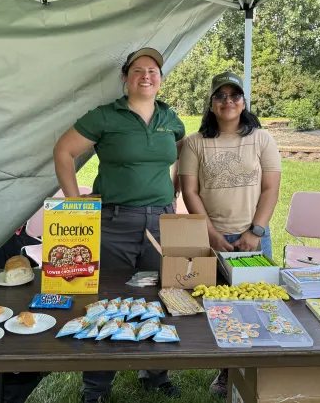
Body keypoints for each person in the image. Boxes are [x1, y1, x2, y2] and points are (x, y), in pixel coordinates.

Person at [53, 47, 185, 403]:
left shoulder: (171, 119)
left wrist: (173, 194)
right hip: (114, 222)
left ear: (160, 78)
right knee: (108, 300)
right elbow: (63, 151)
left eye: (153, 70)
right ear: (126, 78)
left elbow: (179, 153)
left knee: (158, 296)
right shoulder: (104, 117)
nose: (146, 75)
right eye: (138, 70)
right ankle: (96, 387)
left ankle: (154, 375)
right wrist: (75, 203)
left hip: (160, 221)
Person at [179, 71, 282, 398]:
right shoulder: (196, 143)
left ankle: (256, 371)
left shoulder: (262, 139)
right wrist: (210, 234)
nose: (228, 101)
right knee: (220, 307)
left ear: (244, 101)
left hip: (253, 238)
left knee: (257, 306)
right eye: (220, 96)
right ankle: (226, 371)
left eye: (234, 95)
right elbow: (190, 192)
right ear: (210, 104)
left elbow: (271, 188)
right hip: (213, 239)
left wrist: (256, 231)